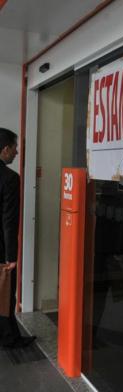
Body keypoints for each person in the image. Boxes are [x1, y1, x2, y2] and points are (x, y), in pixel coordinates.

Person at [0, 128, 36, 348]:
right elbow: (8, 221)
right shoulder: (10, 178)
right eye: (14, 148)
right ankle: (9, 338)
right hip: (1, 248)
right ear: (4, 150)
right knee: (6, 294)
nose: (17, 153)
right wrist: (11, 256)